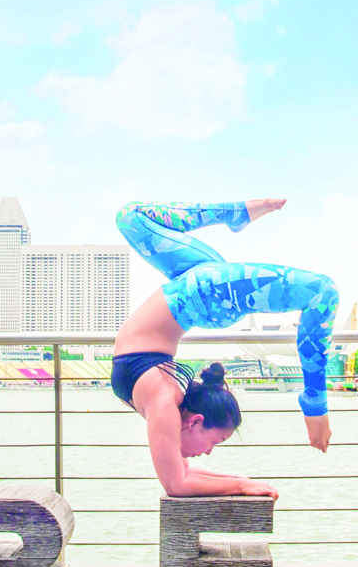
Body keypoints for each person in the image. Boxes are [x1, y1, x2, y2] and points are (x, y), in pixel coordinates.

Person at [111, 198, 339, 499]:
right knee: (322, 292)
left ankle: (234, 215)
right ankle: (314, 404)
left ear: (194, 421)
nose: (207, 453)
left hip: (201, 291)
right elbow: (179, 482)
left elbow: (181, 478)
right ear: (196, 421)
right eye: (215, 442)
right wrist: (242, 483)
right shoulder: (166, 404)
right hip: (204, 292)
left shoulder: (166, 406)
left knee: (130, 216)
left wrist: (240, 481)